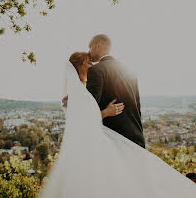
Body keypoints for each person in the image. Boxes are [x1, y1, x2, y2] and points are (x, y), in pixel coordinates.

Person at [38, 49, 196, 198]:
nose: (92, 65)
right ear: (79, 66)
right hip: (86, 142)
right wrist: (106, 112)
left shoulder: (86, 89)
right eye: (88, 62)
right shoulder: (74, 94)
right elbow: (81, 121)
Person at [87, 34, 145, 148]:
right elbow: (137, 106)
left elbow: (90, 108)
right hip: (136, 137)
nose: (89, 52)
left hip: (114, 140)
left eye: (90, 48)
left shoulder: (95, 70)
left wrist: (105, 112)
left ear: (98, 45)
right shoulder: (129, 69)